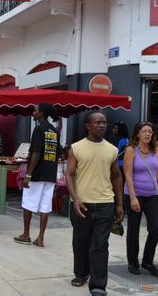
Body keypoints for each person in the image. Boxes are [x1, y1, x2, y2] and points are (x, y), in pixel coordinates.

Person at [65, 111, 123, 294]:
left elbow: (116, 176)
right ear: (87, 125)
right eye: (97, 122)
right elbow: (70, 174)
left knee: (100, 245)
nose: (102, 125)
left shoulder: (112, 150)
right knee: (81, 242)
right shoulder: (76, 148)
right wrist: (75, 199)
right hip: (82, 205)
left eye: (104, 122)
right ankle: (81, 273)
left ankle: (98, 286)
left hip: (105, 203)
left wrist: (119, 203)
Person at [124, 121, 158, 276]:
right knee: (133, 230)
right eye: (144, 131)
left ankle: (148, 262)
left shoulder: (154, 151)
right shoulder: (131, 150)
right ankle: (133, 262)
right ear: (137, 134)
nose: (148, 134)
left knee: (155, 228)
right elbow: (128, 174)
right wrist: (133, 197)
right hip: (135, 194)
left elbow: (156, 173)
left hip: (152, 195)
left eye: (150, 131)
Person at [14, 103, 60, 248]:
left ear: (42, 114)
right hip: (50, 173)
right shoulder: (53, 130)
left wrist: (28, 174)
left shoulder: (38, 129)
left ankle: (26, 235)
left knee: (28, 202)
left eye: (35, 110)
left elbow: (36, 152)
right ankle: (40, 238)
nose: (33, 113)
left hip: (38, 173)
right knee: (45, 206)